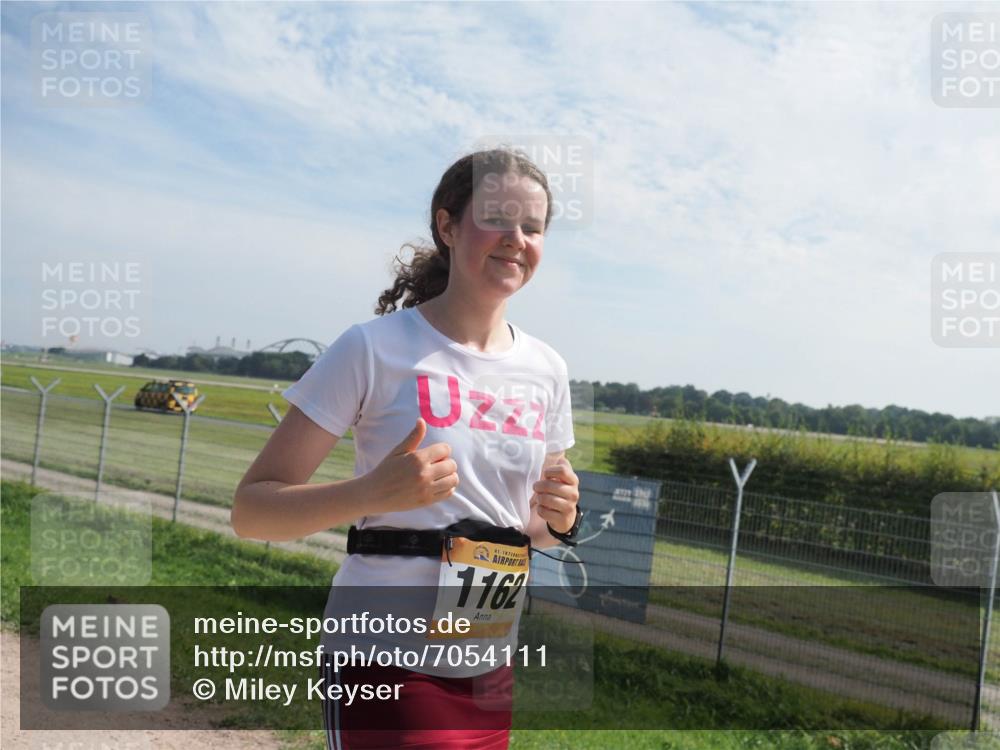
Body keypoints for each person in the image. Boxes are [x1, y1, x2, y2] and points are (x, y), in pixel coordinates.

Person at [232, 147, 581, 750]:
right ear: (447, 226)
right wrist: (370, 493)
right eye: (497, 219)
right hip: (385, 660)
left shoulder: (546, 370)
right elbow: (252, 511)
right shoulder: (373, 348)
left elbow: (528, 529)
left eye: (533, 227)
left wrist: (561, 520)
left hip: (489, 668)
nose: (516, 239)